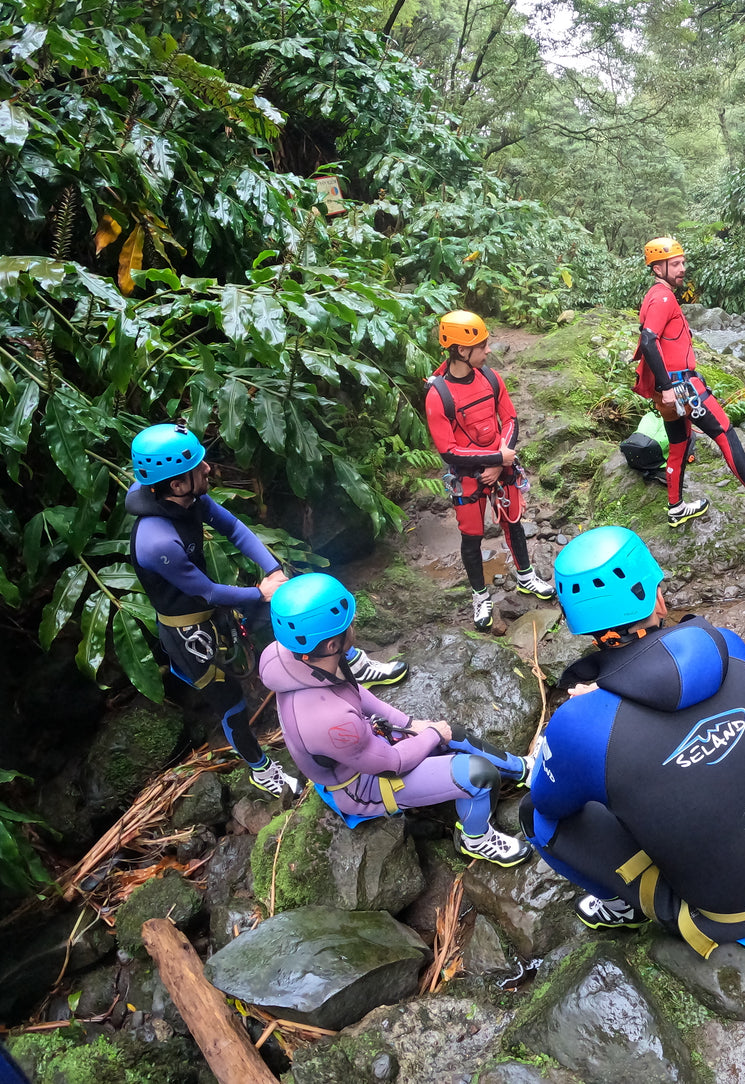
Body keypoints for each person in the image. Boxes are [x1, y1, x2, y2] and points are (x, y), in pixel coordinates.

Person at [520, 526, 745, 957]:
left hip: (727, 916)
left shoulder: (580, 723)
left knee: (535, 814)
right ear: (658, 597)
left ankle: (623, 908)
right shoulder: (727, 644)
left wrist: (584, 720)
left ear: (582, 627)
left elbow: (551, 805)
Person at [127, 423, 405, 796]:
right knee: (231, 704)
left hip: (219, 607)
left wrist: (275, 573)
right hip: (189, 632)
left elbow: (235, 529)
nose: (208, 468)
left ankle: (351, 663)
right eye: (198, 466)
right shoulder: (156, 541)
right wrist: (260, 593)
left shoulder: (184, 497)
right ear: (176, 484)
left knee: (302, 614)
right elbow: (207, 592)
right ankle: (260, 767)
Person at [259, 573, 533, 865]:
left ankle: (522, 770)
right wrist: (433, 735)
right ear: (331, 646)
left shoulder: (294, 654)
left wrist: (411, 724)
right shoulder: (331, 721)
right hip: (361, 784)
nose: (353, 626)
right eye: (347, 624)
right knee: (480, 776)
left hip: (365, 747)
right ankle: (474, 839)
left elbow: (354, 693)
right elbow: (392, 764)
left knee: (453, 733)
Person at [632, 237, 745, 527]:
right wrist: (669, 388)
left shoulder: (655, 295)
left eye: (683, 262)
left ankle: (676, 507)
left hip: (673, 386)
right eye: (675, 264)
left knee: (680, 444)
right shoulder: (663, 298)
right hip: (682, 388)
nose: (683, 268)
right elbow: (647, 340)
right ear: (657, 269)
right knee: (725, 432)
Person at [425, 310, 555, 632]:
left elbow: (510, 420)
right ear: (460, 350)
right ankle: (480, 595)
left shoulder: (492, 379)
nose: (489, 351)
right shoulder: (437, 394)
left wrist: (499, 462)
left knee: (513, 523)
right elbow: (448, 450)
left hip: (499, 467)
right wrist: (496, 457)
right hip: (468, 476)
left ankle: (525, 577)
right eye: (482, 346)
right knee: (472, 537)